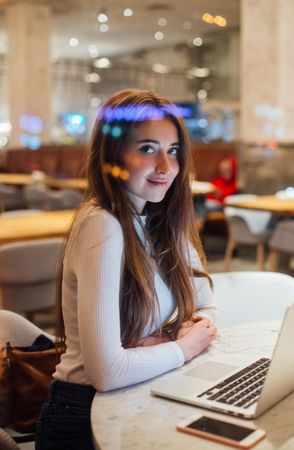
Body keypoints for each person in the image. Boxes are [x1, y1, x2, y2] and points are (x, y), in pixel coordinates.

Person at [35, 88, 217, 450]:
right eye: (148, 149)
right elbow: (108, 372)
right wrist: (184, 347)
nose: (166, 167)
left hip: (146, 394)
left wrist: (166, 341)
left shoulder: (162, 219)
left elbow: (207, 309)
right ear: (113, 155)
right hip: (82, 416)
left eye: (173, 150)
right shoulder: (101, 225)